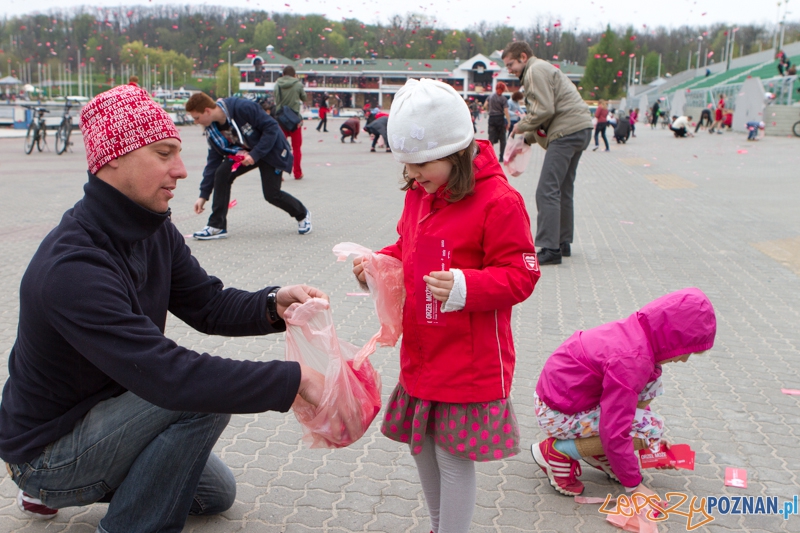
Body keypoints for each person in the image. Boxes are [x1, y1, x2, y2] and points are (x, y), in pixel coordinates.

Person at [0, 84, 327, 529]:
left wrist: (273, 303)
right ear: (114, 158)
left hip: (111, 412)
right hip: (48, 450)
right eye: (163, 153)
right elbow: (169, 377)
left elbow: (207, 304)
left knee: (216, 494)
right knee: (203, 398)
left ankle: (113, 485)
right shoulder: (73, 266)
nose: (181, 170)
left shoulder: (152, 227)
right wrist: (294, 381)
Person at [354, 78, 540, 533]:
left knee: (450, 455)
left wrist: (465, 287)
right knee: (422, 444)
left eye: (422, 165)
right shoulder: (421, 194)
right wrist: (378, 264)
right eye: (408, 167)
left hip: (468, 356)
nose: (414, 176)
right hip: (423, 348)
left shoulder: (500, 202)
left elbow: (522, 273)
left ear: (455, 152)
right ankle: (439, 526)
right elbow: (407, 246)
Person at [531, 288, 716, 497]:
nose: (682, 359)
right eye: (687, 352)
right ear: (672, 338)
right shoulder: (632, 360)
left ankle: (601, 453)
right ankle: (557, 453)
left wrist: (651, 445)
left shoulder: (638, 336)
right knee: (650, 427)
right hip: (557, 414)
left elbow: (629, 404)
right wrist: (634, 485)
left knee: (649, 415)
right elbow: (616, 425)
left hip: (565, 401)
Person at [503, 41, 593, 266]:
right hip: (580, 129)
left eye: (511, 64)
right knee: (563, 189)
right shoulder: (542, 69)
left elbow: (544, 110)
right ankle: (563, 242)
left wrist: (520, 127)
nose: (509, 69)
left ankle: (550, 248)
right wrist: (527, 139)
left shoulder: (534, 70)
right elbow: (548, 116)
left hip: (566, 132)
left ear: (523, 57)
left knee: (546, 190)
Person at [185, 92, 312, 239]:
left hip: (270, 149)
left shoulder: (242, 108)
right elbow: (213, 162)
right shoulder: (212, 131)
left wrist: (255, 154)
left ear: (207, 110)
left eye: (196, 118)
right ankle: (217, 226)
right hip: (246, 153)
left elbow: (271, 128)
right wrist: (203, 195)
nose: (196, 122)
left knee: (272, 194)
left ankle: (302, 214)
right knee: (222, 173)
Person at [274, 66, 306, 179]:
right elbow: (304, 98)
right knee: (296, 148)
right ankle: (297, 173)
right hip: (295, 120)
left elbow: (277, 100)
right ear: (294, 75)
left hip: (281, 120)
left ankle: (279, 173)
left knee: (281, 147)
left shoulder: (277, 84)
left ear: (283, 74)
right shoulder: (298, 84)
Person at [484, 81, 510, 162]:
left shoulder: (490, 97)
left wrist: (489, 111)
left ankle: (490, 157)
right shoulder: (503, 99)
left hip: (491, 118)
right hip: (500, 118)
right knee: (502, 139)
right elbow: (506, 110)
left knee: (491, 138)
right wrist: (508, 122)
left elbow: (485, 105)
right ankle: (501, 157)